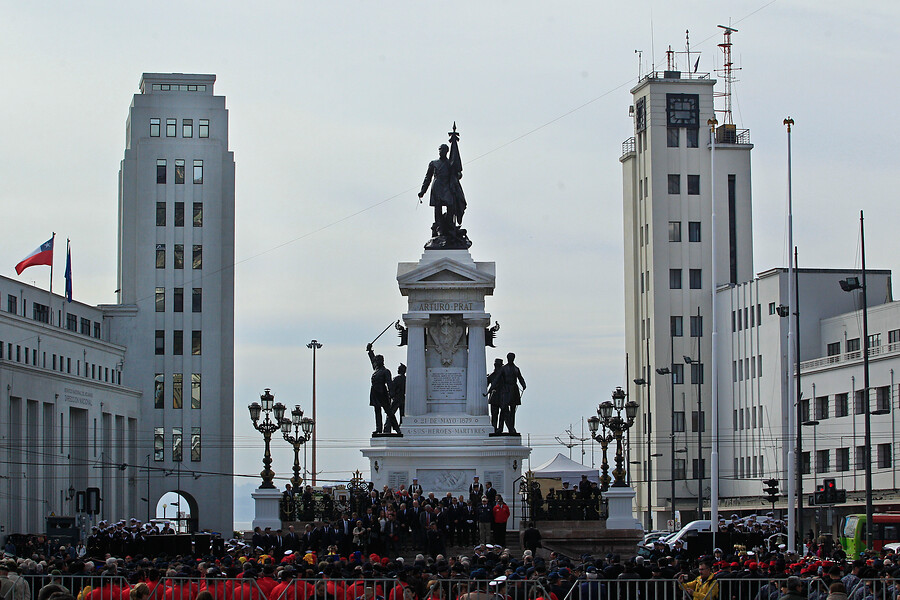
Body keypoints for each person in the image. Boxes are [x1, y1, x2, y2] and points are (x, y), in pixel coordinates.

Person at [418, 142, 465, 237]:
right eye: (440, 149)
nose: (441, 151)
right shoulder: (433, 163)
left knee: (450, 207)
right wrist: (423, 191)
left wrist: (457, 175)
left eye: (443, 150)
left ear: (447, 151)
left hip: (448, 187)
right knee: (437, 208)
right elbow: (428, 178)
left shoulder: (451, 164)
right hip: (437, 187)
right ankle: (439, 228)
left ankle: (450, 227)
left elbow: (458, 174)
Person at [367, 343, 398, 434]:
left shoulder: (385, 371)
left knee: (388, 411)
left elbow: (389, 383)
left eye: (377, 361)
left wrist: (391, 394)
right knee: (377, 411)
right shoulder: (376, 370)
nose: (375, 362)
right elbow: (372, 360)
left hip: (382, 393)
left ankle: (396, 428)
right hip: (374, 393)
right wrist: (370, 351)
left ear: (381, 361)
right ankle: (378, 428)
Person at [497, 352, 526, 434]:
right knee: (503, 409)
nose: (511, 359)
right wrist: (490, 389)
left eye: (512, 358)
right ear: (507, 358)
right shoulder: (503, 368)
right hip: (506, 390)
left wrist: (523, 384)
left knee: (513, 410)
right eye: (509, 358)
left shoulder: (516, 369)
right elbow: (497, 379)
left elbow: (520, 378)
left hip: (514, 389)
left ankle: (511, 428)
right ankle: (500, 428)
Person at [486, 358, 504, 433]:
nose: (498, 367)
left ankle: (500, 429)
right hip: (495, 397)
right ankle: (494, 428)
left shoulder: (503, 376)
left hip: (502, 396)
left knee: (503, 414)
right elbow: (486, 385)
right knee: (495, 414)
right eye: (497, 365)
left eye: (499, 366)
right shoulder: (491, 376)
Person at [389, 364, 407, 429]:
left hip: (396, 398)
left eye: (399, 369)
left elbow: (392, 389)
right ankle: (401, 427)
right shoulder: (406, 379)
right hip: (403, 399)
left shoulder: (396, 379)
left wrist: (391, 396)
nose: (398, 370)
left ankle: (387, 428)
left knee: (390, 414)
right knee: (402, 415)